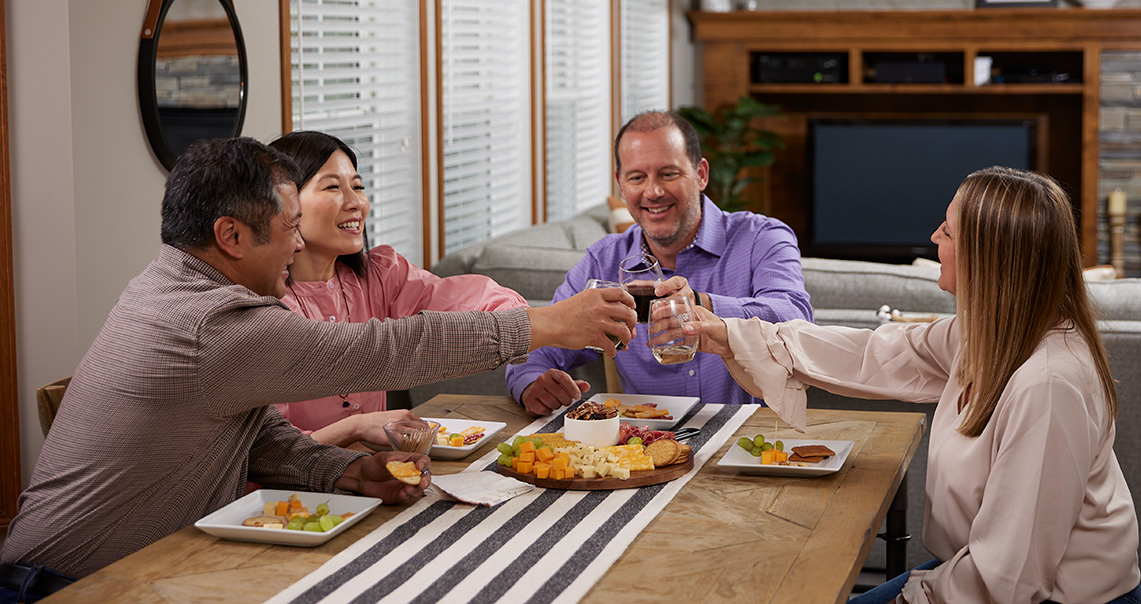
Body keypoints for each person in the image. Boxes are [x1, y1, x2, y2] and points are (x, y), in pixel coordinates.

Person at [0, 137, 635, 599]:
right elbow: (381, 351)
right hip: (69, 585)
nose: (300, 242)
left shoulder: (167, 287)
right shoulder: (213, 326)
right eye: (289, 227)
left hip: (146, 567)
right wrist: (545, 325)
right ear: (231, 236)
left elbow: (255, 435)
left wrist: (348, 472)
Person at [680, 166, 1141, 603]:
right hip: (972, 571)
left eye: (948, 231)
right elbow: (872, 353)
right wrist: (732, 334)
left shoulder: (1049, 385)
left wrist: (909, 596)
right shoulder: (990, 335)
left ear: (988, 257)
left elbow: (1011, 580)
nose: (934, 238)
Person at [505, 110, 812, 416]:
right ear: (621, 184)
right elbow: (536, 346)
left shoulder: (763, 238)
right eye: (637, 177)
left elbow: (797, 321)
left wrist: (701, 304)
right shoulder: (602, 261)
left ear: (701, 174)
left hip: (750, 436)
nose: (653, 192)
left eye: (668, 174)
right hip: (646, 442)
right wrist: (532, 384)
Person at [268, 131, 528, 448]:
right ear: (285, 201)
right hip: (298, 480)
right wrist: (354, 428)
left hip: (382, 470)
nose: (356, 203)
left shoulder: (381, 275)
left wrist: (534, 346)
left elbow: (476, 299)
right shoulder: (263, 309)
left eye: (358, 187)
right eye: (333, 187)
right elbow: (270, 450)